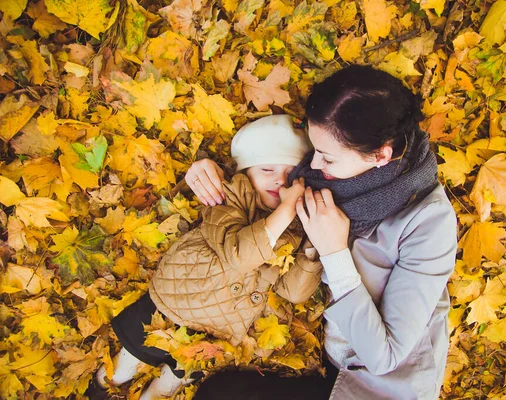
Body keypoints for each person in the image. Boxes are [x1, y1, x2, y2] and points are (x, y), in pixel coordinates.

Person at [186, 65, 458, 400]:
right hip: (336, 363)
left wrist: (335, 254)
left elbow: (384, 357)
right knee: (218, 394)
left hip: (379, 386)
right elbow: (273, 183)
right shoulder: (342, 170)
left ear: (380, 155)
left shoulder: (429, 224)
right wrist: (215, 175)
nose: (314, 166)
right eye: (314, 151)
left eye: (326, 158)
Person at [94, 115, 323, 399]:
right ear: (246, 172)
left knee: (172, 380)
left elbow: (292, 292)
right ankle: (105, 383)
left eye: (291, 174)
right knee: (127, 362)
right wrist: (286, 210)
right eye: (267, 169)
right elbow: (237, 255)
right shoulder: (230, 196)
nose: (280, 180)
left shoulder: (296, 225)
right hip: (182, 301)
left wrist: (313, 250)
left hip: (219, 329)